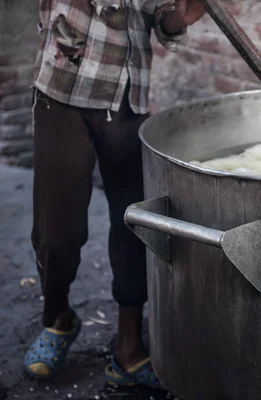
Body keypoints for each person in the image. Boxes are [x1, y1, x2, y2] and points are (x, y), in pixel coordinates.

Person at [23, 0, 206, 389]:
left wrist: (183, 15)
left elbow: (164, 20)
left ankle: (128, 347)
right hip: (63, 90)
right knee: (57, 234)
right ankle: (59, 319)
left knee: (134, 224)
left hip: (126, 98)